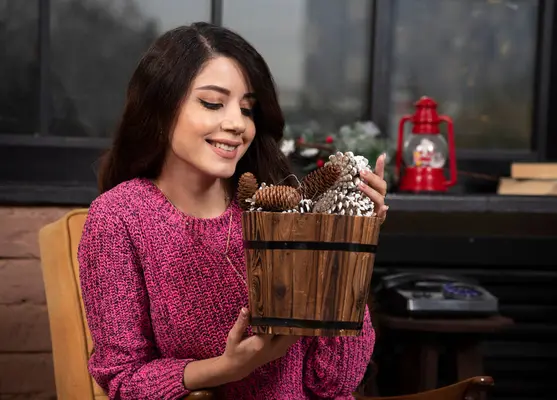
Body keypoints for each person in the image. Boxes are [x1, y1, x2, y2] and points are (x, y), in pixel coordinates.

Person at [77, 22, 389, 400]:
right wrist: (229, 368)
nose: (236, 124)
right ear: (160, 107)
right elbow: (125, 382)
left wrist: (350, 245)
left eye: (247, 109)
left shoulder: (278, 206)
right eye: (212, 103)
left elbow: (335, 382)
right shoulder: (119, 218)